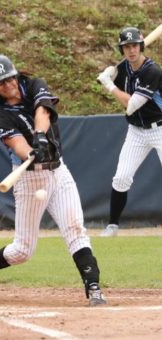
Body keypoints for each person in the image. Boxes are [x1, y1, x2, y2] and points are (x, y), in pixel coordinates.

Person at [0, 55, 106, 306]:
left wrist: (40, 136)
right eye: (0, 82)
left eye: (9, 77)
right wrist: (31, 151)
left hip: (58, 170)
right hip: (29, 179)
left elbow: (43, 109)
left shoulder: (33, 84)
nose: (7, 84)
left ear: (15, 75)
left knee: (74, 228)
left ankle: (93, 286)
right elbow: (18, 145)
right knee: (22, 251)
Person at [97, 27, 162, 237]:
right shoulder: (123, 68)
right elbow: (120, 91)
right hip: (136, 131)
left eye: (134, 45)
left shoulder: (152, 70)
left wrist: (108, 85)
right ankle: (113, 225)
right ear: (122, 49)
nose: (131, 50)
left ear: (141, 46)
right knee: (121, 178)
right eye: (126, 47)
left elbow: (132, 104)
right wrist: (110, 75)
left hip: (160, 128)